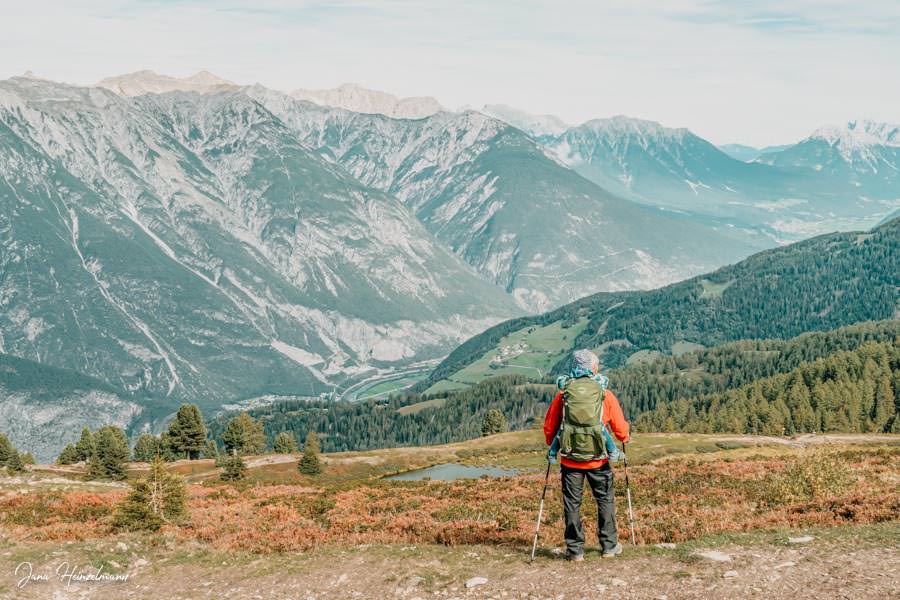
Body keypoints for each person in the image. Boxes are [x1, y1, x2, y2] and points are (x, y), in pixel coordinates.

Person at [543, 349, 630, 561]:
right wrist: (624, 437)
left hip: (571, 460)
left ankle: (575, 551)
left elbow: (550, 427)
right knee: (605, 500)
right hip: (599, 460)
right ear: (593, 368)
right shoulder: (604, 394)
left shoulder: (564, 394)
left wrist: (553, 445)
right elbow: (620, 428)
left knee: (572, 504)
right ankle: (609, 546)